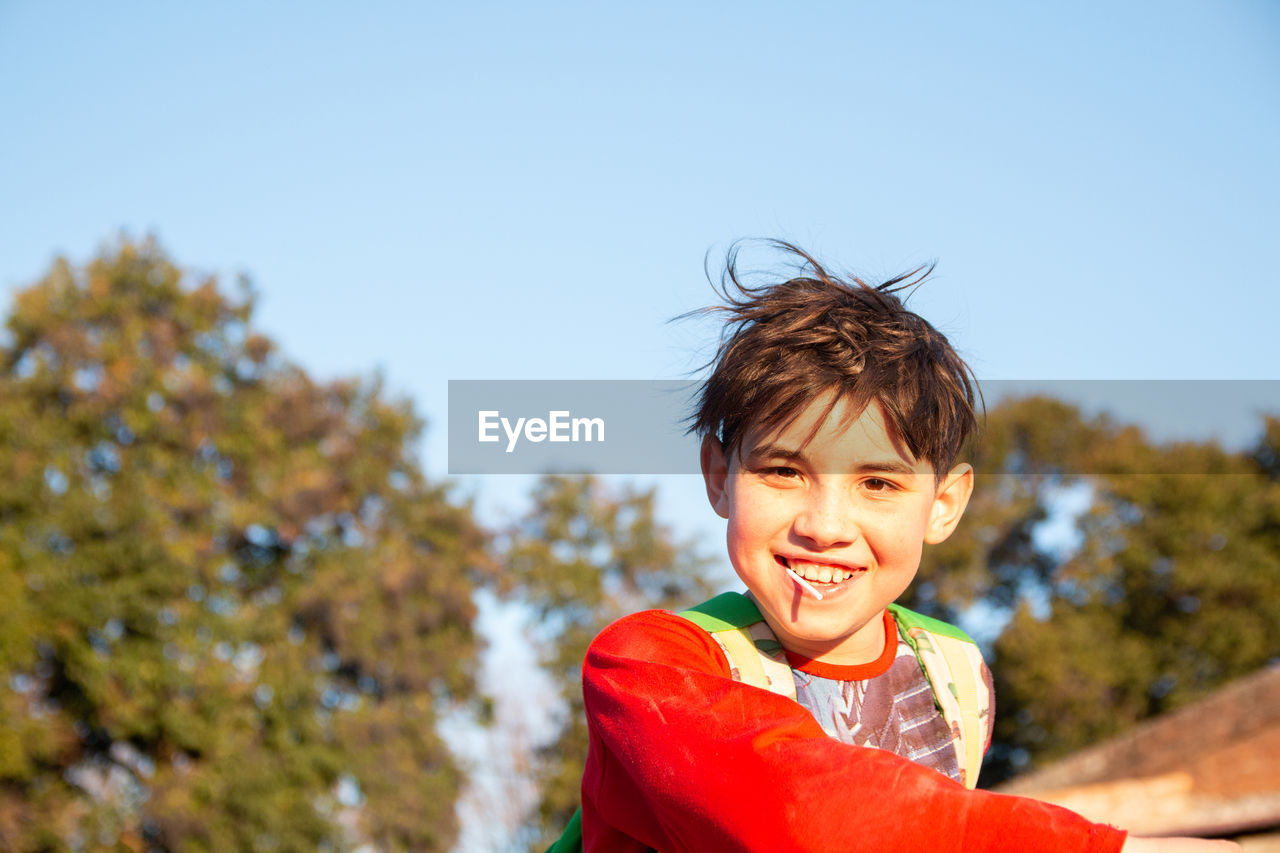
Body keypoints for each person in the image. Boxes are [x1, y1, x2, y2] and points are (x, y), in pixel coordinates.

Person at [573, 242, 1239, 852]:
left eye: (878, 482)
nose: (826, 524)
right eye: (783, 471)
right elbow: (801, 813)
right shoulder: (648, 667)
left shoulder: (954, 674)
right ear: (720, 477)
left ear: (944, 503)